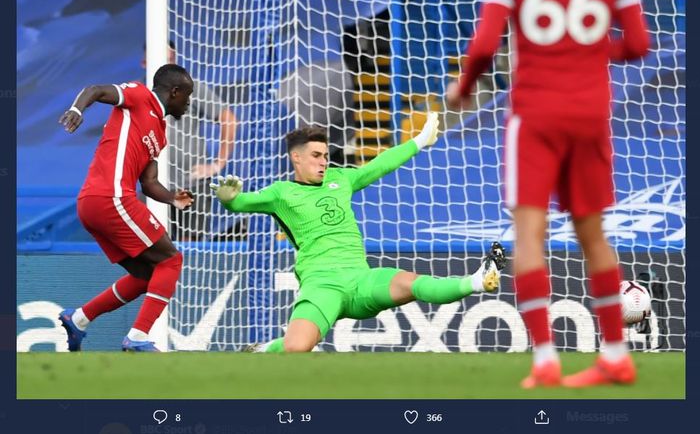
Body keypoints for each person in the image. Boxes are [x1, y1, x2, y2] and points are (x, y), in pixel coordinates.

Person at [446, 0, 649, 387]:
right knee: (594, 236)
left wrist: (463, 89)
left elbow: (484, 45)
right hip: (591, 113)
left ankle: (545, 361)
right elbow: (638, 43)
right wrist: (589, 51)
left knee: (528, 234)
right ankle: (615, 355)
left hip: (535, 114)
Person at [211, 118, 507, 353]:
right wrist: (228, 198)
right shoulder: (281, 193)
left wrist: (418, 141)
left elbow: (380, 165)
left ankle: (477, 280)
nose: (324, 161)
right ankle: (265, 350)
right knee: (296, 347)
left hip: (361, 280)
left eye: (326, 155)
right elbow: (241, 203)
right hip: (321, 284)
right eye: (316, 156)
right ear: (296, 158)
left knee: (411, 282)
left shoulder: (341, 179)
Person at [57, 64, 195, 352]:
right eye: (188, 95)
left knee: (149, 275)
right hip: (111, 198)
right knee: (171, 261)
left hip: (93, 204)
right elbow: (95, 90)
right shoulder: (138, 95)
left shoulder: (160, 132)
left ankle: (79, 318)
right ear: (175, 92)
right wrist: (77, 110)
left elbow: (149, 183)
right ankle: (138, 336)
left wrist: (172, 198)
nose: (189, 102)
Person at [142, 41, 238, 240]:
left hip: (192, 184)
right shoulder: (139, 93)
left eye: (169, 59)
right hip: (152, 184)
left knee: (190, 248)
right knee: (153, 246)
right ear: (145, 62)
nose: (164, 63)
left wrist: (217, 165)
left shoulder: (191, 89)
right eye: (159, 59)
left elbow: (228, 119)